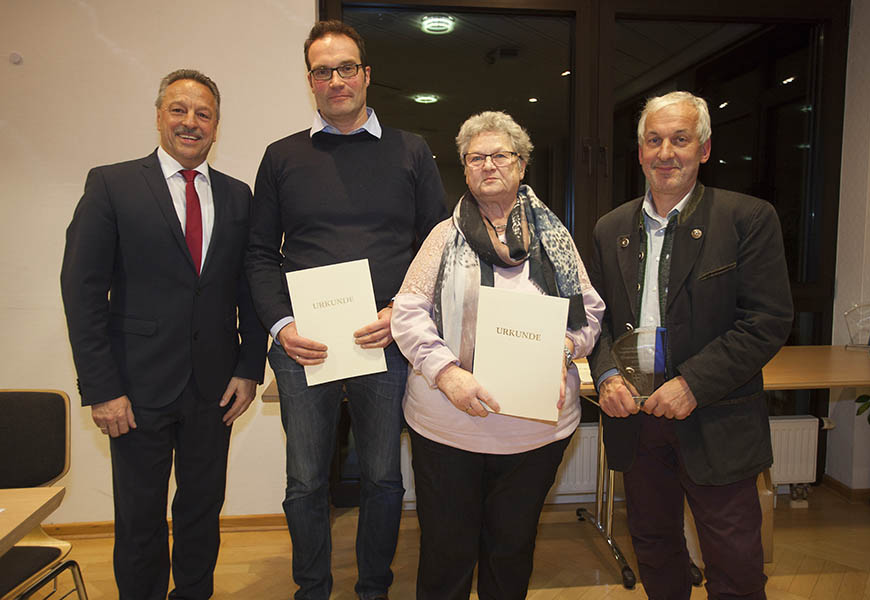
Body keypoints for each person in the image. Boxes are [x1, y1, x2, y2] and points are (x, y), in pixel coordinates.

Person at [244, 20, 447, 600]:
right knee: (305, 481)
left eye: (346, 68)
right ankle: (312, 589)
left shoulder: (411, 150)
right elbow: (260, 253)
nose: (336, 80)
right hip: (303, 345)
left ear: (366, 74)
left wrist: (401, 314)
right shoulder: (281, 156)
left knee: (383, 477)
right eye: (323, 71)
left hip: (384, 340)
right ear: (310, 80)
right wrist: (282, 327)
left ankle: (373, 589)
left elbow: (436, 248)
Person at [60, 69, 267, 600]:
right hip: (134, 388)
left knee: (202, 509)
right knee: (139, 517)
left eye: (203, 114)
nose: (190, 122)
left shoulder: (239, 196)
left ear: (217, 126)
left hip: (215, 388)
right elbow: (82, 292)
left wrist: (249, 368)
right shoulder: (112, 184)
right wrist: (101, 388)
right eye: (179, 110)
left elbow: (251, 289)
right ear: (158, 116)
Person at [390, 110, 605, 599]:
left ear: (522, 165)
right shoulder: (444, 237)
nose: (489, 165)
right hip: (449, 427)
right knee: (446, 552)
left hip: (534, 435)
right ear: (465, 169)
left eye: (501, 155)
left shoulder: (556, 241)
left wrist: (564, 348)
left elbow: (589, 313)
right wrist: (446, 374)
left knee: (511, 550)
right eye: (476, 157)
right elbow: (407, 313)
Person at [588, 91, 793, 599]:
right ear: (639, 152)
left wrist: (692, 384)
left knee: (736, 564)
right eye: (653, 140)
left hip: (716, 418)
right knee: (655, 549)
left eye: (680, 140)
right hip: (637, 422)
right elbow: (594, 322)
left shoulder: (747, 219)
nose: (665, 153)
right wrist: (608, 375)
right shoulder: (610, 228)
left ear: (703, 148)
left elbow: (767, 321)